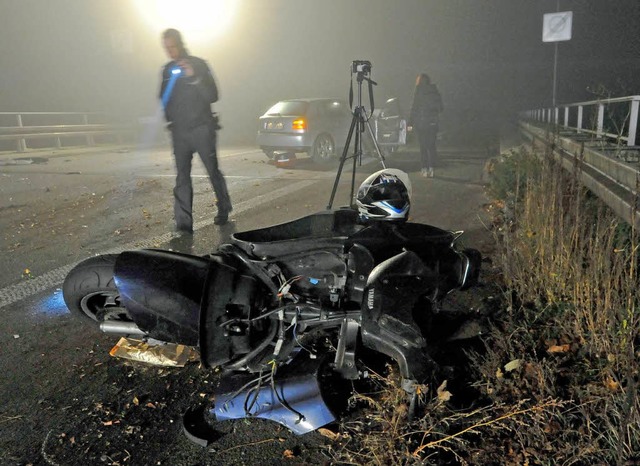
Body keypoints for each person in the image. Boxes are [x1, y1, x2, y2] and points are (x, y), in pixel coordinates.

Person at [160, 28, 232, 231]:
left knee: (212, 171)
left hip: (202, 129)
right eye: (166, 48)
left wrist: (194, 77)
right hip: (180, 133)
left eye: (173, 46)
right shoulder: (167, 70)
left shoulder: (199, 64)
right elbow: (163, 99)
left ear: (180, 44)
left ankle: (224, 207)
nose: (170, 51)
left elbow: (213, 95)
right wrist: (171, 120)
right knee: (182, 177)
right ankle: (184, 223)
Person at [407, 73, 443, 178]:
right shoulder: (434, 91)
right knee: (431, 146)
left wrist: (410, 123)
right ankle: (432, 168)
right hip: (432, 122)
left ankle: (424, 169)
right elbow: (441, 108)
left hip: (421, 123)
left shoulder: (418, 91)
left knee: (423, 147)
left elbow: (414, 108)